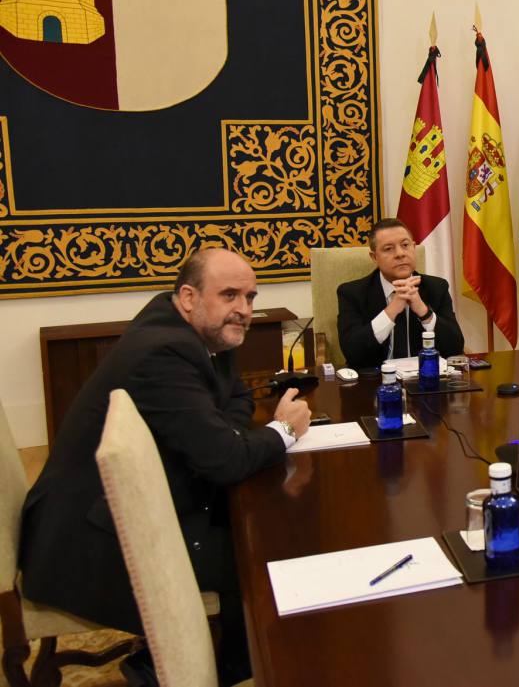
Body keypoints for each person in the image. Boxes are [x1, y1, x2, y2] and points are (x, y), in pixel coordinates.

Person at [19, 248, 312, 685]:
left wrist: (219, 430)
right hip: (88, 541)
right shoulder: (164, 351)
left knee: (259, 529)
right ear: (189, 296)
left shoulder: (204, 330)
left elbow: (237, 399)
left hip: (122, 506)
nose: (244, 310)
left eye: (250, 297)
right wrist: (283, 432)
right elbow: (227, 461)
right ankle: (226, 670)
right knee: (263, 554)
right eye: (230, 294)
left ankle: (233, 659)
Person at [337, 218, 464, 369]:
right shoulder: (352, 293)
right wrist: (391, 310)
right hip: (375, 383)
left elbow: (455, 347)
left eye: (405, 245)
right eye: (388, 249)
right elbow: (352, 353)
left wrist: (424, 312)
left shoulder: (436, 287)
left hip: (427, 379)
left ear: (414, 247)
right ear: (374, 257)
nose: (400, 254)